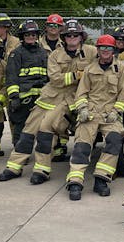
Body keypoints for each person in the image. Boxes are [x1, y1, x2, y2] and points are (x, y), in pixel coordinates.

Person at [27, 20, 97, 183]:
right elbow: (56, 79)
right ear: (64, 37)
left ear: (81, 37)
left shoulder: (92, 52)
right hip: (61, 98)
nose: (72, 38)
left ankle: (79, 172)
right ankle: (41, 170)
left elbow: (106, 64)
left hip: (85, 99)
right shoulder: (55, 55)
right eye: (69, 35)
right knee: (45, 128)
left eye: (75, 35)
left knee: (84, 134)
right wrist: (76, 76)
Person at [66, 34, 124, 201]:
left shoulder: (121, 68)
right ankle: (75, 182)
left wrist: (116, 111)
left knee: (114, 141)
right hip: (91, 114)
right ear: (98, 50)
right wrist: (83, 109)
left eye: (109, 48)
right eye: (102, 48)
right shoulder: (89, 69)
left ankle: (101, 180)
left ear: (114, 50)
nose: (105, 51)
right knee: (82, 146)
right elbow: (81, 94)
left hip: (110, 115)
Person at [5, 20, 49, 146]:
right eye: (27, 35)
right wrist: (14, 97)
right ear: (22, 37)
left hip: (41, 97)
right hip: (24, 97)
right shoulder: (16, 54)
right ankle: (20, 152)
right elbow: (11, 77)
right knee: (21, 126)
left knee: (42, 127)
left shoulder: (42, 53)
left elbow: (48, 76)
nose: (31, 37)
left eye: (33, 35)